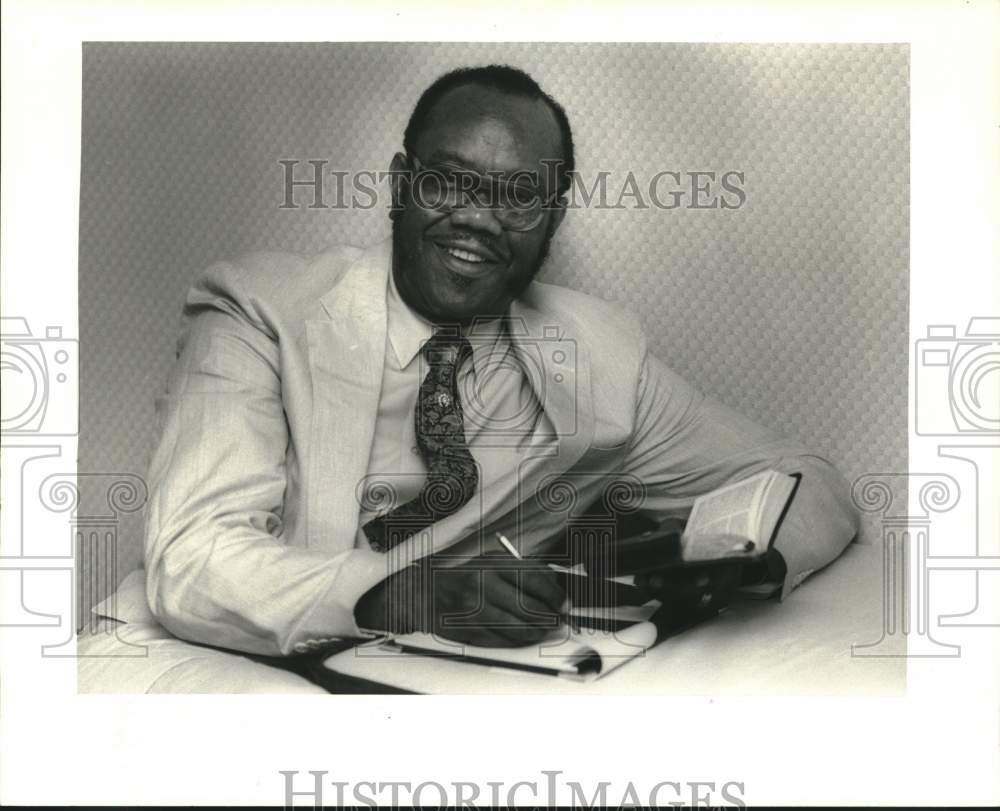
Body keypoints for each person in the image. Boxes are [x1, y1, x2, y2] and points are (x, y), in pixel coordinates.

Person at [81, 65, 858, 692]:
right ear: (399, 185)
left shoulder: (601, 358)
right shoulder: (258, 310)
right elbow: (194, 556)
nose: (479, 219)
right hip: (207, 657)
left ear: (551, 222)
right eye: (449, 182)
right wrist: (406, 590)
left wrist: (739, 559)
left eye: (519, 198)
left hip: (436, 681)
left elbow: (805, 478)